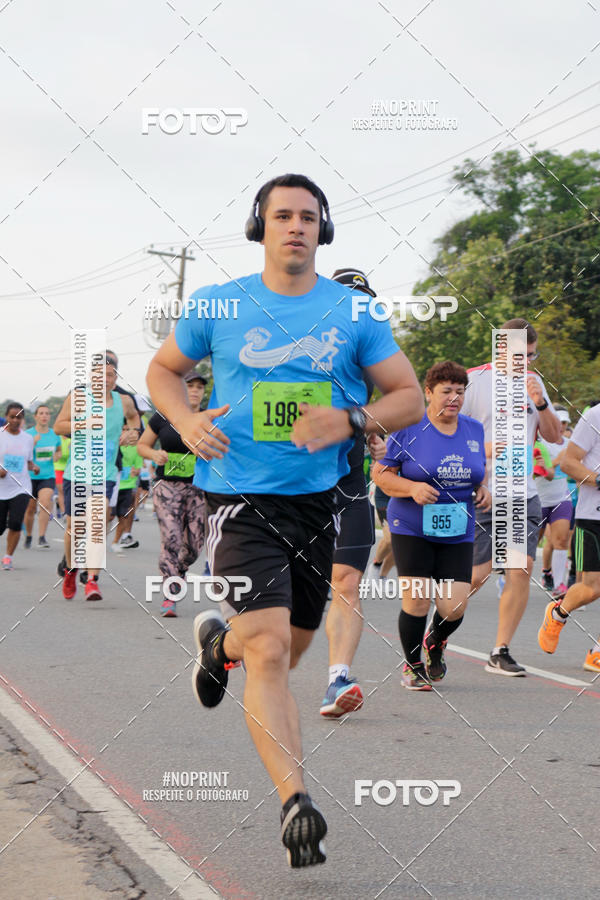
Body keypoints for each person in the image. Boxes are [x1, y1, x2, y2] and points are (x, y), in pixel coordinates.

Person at [146, 173, 424, 867]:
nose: (296, 226)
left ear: (323, 231)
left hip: (316, 506)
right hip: (237, 499)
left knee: (291, 650)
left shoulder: (354, 313)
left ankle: (222, 649)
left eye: (308, 217)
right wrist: (182, 419)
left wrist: (351, 417)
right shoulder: (218, 303)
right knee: (271, 651)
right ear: (259, 227)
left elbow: (409, 396)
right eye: (283, 216)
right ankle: (296, 804)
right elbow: (162, 370)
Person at [373, 361, 490, 689]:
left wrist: (482, 489)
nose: (454, 398)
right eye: (446, 391)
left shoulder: (473, 429)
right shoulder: (408, 427)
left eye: (460, 391)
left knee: (454, 605)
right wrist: (411, 488)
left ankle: (435, 642)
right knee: (418, 599)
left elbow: (476, 470)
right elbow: (380, 473)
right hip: (411, 524)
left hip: (457, 526)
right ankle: (412, 666)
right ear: (428, 393)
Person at [462, 318, 561, 675]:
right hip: (481, 491)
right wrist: (483, 452)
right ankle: (437, 633)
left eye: (532, 355)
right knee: (475, 577)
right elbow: (449, 432)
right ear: (502, 348)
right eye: (521, 354)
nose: (527, 362)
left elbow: (553, 438)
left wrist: (541, 402)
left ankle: (500, 650)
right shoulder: (474, 381)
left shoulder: (537, 385)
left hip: (522, 492)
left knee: (521, 569)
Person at [320, 268, 385, 718]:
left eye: (363, 302)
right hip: (288, 484)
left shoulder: (374, 356)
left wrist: (372, 432)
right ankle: (228, 643)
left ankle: (337, 678)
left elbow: (380, 408)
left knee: (345, 582)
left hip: (348, 480)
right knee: (282, 594)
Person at [54, 356, 139, 600]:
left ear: (115, 379)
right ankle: (71, 569)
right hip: (77, 473)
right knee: (75, 527)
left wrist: (133, 432)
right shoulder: (79, 397)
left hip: (106, 474)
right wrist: (84, 424)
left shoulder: (124, 402)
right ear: (91, 377)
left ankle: (91, 581)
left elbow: (135, 419)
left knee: (98, 523)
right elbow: (58, 427)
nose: (104, 379)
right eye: (99, 374)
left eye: (110, 375)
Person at [137, 371, 208, 616]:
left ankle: (180, 570)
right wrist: (154, 454)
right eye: (191, 385)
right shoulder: (164, 416)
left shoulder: (208, 417)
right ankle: (170, 594)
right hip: (167, 485)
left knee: (194, 546)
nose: (196, 390)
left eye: (200, 386)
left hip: (199, 488)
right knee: (172, 539)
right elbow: (142, 445)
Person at [537, 402, 600, 673]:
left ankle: (595, 653)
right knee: (592, 587)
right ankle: (558, 613)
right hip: (593, 516)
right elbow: (568, 462)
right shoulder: (595, 416)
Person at [535, 409, 573, 597]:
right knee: (531, 543)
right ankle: (511, 580)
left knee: (561, 541)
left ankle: (559, 586)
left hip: (561, 499)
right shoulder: (537, 443)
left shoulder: (570, 445)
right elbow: (534, 472)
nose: (561, 427)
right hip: (538, 499)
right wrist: (557, 462)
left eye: (565, 423)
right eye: (559, 422)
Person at [0, 403, 39, 569]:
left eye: (19, 417)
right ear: (6, 417)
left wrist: (34, 467)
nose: (15, 420)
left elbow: (27, 461)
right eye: (12, 417)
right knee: (0, 526)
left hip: (21, 487)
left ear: (23, 419)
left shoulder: (28, 439)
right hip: (1, 489)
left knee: (16, 523)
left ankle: (8, 557)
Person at [24, 404, 61, 549]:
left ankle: (42, 537)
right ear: (36, 416)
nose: (44, 416)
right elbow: (21, 454)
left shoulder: (54, 434)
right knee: (30, 509)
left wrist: (57, 456)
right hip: (29, 476)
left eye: (47, 413)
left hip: (47, 475)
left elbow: (59, 451)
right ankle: (28, 536)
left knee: (45, 503)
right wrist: (32, 443)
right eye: (41, 413)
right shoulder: (28, 434)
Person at [111, 425, 143, 551]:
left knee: (123, 515)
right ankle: (96, 539)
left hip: (128, 485)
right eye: (123, 429)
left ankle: (115, 542)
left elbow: (138, 467)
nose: (125, 433)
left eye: (127, 430)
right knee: (109, 516)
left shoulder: (136, 449)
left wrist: (135, 471)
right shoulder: (114, 446)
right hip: (113, 484)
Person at [54, 435, 71, 517]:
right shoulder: (57, 438)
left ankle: (65, 509)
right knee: (61, 490)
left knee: (68, 491)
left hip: (69, 467)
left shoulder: (72, 439)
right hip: (58, 467)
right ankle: (64, 512)